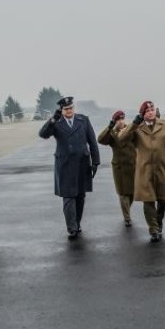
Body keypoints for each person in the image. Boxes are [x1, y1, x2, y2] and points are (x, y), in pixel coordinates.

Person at [38, 96, 100, 240]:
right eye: (66, 109)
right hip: (65, 165)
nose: (69, 111)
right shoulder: (57, 122)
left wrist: (95, 161)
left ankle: (77, 223)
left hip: (82, 164)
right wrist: (53, 119)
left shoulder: (83, 120)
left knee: (80, 196)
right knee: (68, 197)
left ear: (74, 108)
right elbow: (43, 134)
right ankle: (72, 228)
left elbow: (92, 142)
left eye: (70, 108)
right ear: (62, 110)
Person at [118, 100, 165, 242]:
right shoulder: (137, 127)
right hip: (144, 171)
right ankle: (154, 230)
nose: (150, 112)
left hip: (162, 169)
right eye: (147, 111)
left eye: (152, 109)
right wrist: (134, 124)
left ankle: (158, 220)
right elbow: (122, 139)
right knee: (148, 201)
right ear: (142, 114)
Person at [97, 110, 136, 227]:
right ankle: (127, 217)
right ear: (115, 121)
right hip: (119, 167)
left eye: (122, 119)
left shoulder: (131, 129)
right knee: (123, 193)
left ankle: (127, 210)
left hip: (133, 165)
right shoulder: (112, 133)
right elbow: (100, 140)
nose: (120, 121)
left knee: (132, 193)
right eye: (118, 120)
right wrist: (109, 127)